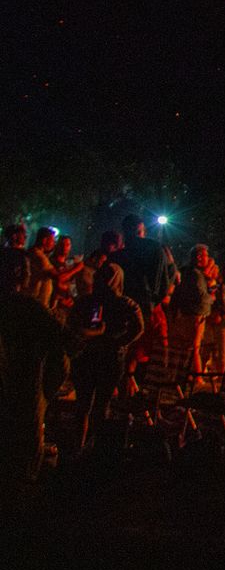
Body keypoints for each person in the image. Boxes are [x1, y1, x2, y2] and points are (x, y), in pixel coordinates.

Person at [0, 253, 68, 500]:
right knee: (21, 460)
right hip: (24, 392)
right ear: (19, 273)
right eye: (28, 269)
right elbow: (66, 342)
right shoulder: (31, 309)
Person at [68, 262, 144, 454]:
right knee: (101, 404)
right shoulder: (126, 303)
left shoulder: (86, 301)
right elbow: (139, 327)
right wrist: (121, 342)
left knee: (84, 404)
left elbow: (72, 323)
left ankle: (79, 445)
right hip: (110, 358)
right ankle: (93, 449)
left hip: (87, 356)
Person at [111, 214, 173, 370]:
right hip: (144, 307)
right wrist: (152, 302)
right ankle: (132, 385)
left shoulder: (119, 255)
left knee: (122, 348)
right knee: (138, 350)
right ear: (142, 230)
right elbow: (162, 284)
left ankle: (122, 384)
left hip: (121, 308)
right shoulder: (154, 249)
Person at [169, 245, 216, 381]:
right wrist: (212, 298)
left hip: (187, 313)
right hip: (196, 314)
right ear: (199, 257)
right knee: (194, 347)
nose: (208, 258)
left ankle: (187, 374)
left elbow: (177, 293)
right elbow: (201, 295)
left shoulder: (186, 271)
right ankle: (197, 377)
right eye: (206, 255)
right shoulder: (196, 274)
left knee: (189, 346)